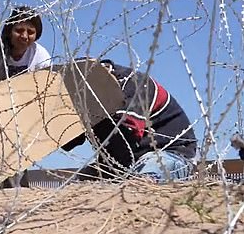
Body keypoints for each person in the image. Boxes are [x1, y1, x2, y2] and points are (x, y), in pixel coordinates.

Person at [62, 59, 197, 182]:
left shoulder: (134, 84)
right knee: (75, 186)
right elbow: (67, 141)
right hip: (122, 163)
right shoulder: (87, 99)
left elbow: (126, 134)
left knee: (143, 181)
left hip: (170, 154)